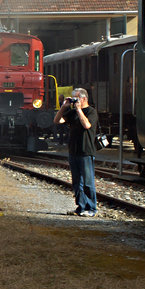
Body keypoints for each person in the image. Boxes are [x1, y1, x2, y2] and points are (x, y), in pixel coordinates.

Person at [54, 87, 98, 217]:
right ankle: (81, 206)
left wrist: (79, 109)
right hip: (73, 151)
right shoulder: (72, 113)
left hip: (86, 151)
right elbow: (57, 121)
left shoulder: (91, 112)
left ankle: (91, 208)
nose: (74, 101)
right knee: (76, 182)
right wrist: (64, 107)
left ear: (84, 98)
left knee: (88, 182)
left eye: (76, 98)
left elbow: (87, 125)